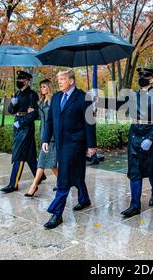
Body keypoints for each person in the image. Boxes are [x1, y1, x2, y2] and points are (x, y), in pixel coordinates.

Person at [42, 69, 96, 229]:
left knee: (63, 178)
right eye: (58, 79)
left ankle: (56, 214)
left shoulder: (83, 97)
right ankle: (84, 200)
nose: (59, 82)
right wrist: (46, 139)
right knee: (77, 175)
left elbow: (90, 122)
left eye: (62, 79)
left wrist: (91, 145)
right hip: (60, 144)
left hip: (76, 145)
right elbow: (50, 121)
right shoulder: (56, 97)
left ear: (71, 81)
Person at [119, 67, 153, 218]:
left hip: (150, 133)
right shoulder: (133, 95)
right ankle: (134, 205)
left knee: (152, 169)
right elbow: (122, 108)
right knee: (134, 171)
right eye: (140, 76)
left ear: (151, 79)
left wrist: (151, 138)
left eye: (144, 76)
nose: (141, 78)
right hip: (135, 133)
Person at [1, 71, 42, 193]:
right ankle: (40, 176)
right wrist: (13, 103)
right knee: (29, 154)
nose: (19, 81)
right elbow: (10, 110)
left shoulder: (32, 95)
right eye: (18, 79)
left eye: (22, 79)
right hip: (17, 124)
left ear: (27, 81)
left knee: (19, 154)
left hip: (26, 127)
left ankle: (13, 184)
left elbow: (34, 114)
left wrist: (22, 122)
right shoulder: (17, 93)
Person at [25, 79, 58, 197]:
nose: (42, 89)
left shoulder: (54, 100)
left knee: (43, 160)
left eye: (44, 86)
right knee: (51, 162)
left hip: (52, 135)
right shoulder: (42, 101)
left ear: (49, 87)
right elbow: (41, 116)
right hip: (43, 132)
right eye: (41, 87)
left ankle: (34, 186)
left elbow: (54, 118)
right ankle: (62, 182)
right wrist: (33, 110)